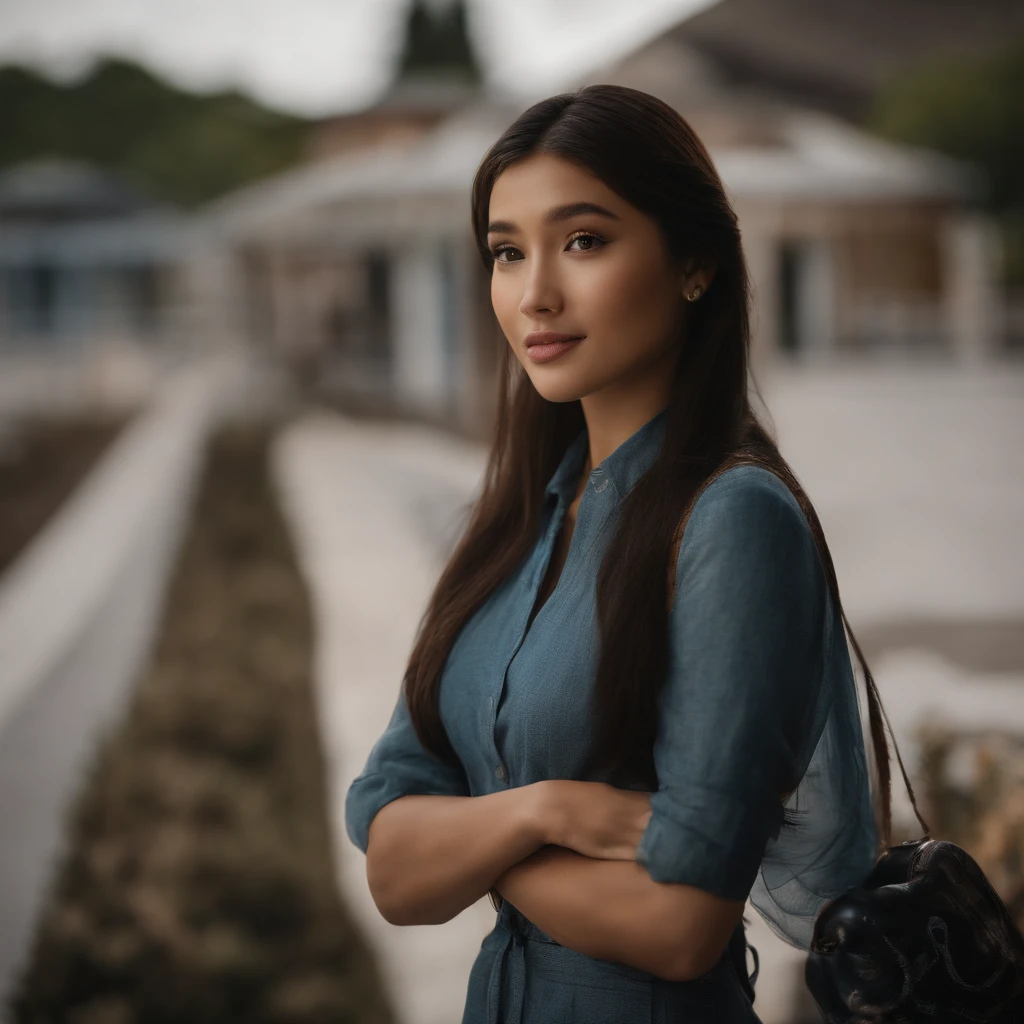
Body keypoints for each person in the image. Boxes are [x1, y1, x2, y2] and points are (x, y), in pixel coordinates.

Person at [344, 84, 890, 1024]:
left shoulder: (731, 521)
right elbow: (392, 865)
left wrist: (470, 845)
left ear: (695, 264)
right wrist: (541, 812)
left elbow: (680, 925)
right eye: (507, 252)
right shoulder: (514, 526)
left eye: (584, 241)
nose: (535, 294)